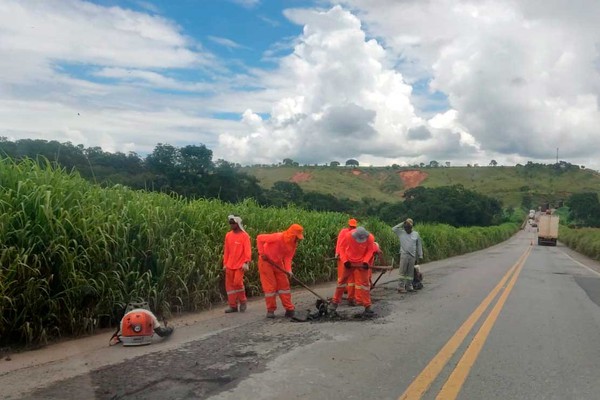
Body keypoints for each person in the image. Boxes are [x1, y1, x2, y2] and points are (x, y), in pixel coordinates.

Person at [256, 223, 304, 319]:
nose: (297, 239)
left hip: (277, 263)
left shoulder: (293, 245)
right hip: (266, 262)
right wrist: (262, 253)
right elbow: (260, 238)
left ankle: (289, 309)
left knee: (284, 285)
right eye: (296, 237)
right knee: (270, 287)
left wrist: (289, 270)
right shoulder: (278, 237)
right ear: (292, 235)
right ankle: (270, 310)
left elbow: (288, 258)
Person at [329, 226, 377, 317]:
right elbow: (342, 248)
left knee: (365, 285)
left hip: (362, 262)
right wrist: (345, 261)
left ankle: (368, 307)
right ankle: (334, 304)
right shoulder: (348, 236)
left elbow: (370, 250)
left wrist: (366, 261)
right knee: (342, 282)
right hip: (349, 262)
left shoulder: (370, 238)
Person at [222, 215, 252, 313]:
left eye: (233, 223)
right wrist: (225, 263)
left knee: (238, 283)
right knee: (229, 286)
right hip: (230, 264)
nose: (231, 225)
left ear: (238, 224)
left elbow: (247, 250)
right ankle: (233, 306)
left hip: (240, 265)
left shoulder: (244, 236)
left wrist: (246, 262)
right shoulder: (228, 235)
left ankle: (243, 301)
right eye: (230, 223)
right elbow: (226, 250)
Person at [392, 218, 423, 293]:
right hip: (404, 254)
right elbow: (393, 228)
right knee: (402, 272)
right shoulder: (401, 233)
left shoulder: (416, 234)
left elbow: (419, 245)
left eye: (409, 227)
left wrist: (420, 255)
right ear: (404, 227)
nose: (407, 229)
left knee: (410, 273)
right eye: (406, 227)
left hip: (412, 256)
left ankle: (409, 286)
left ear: (411, 227)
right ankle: (400, 287)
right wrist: (403, 223)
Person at [335, 218, 358, 304]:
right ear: (349, 225)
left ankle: (350, 296)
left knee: (351, 279)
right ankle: (342, 295)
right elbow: (340, 244)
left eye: (353, 227)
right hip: (344, 256)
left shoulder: (355, 233)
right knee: (342, 276)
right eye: (351, 226)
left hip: (351, 257)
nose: (352, 228)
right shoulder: (344, 232)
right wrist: (337, 253)